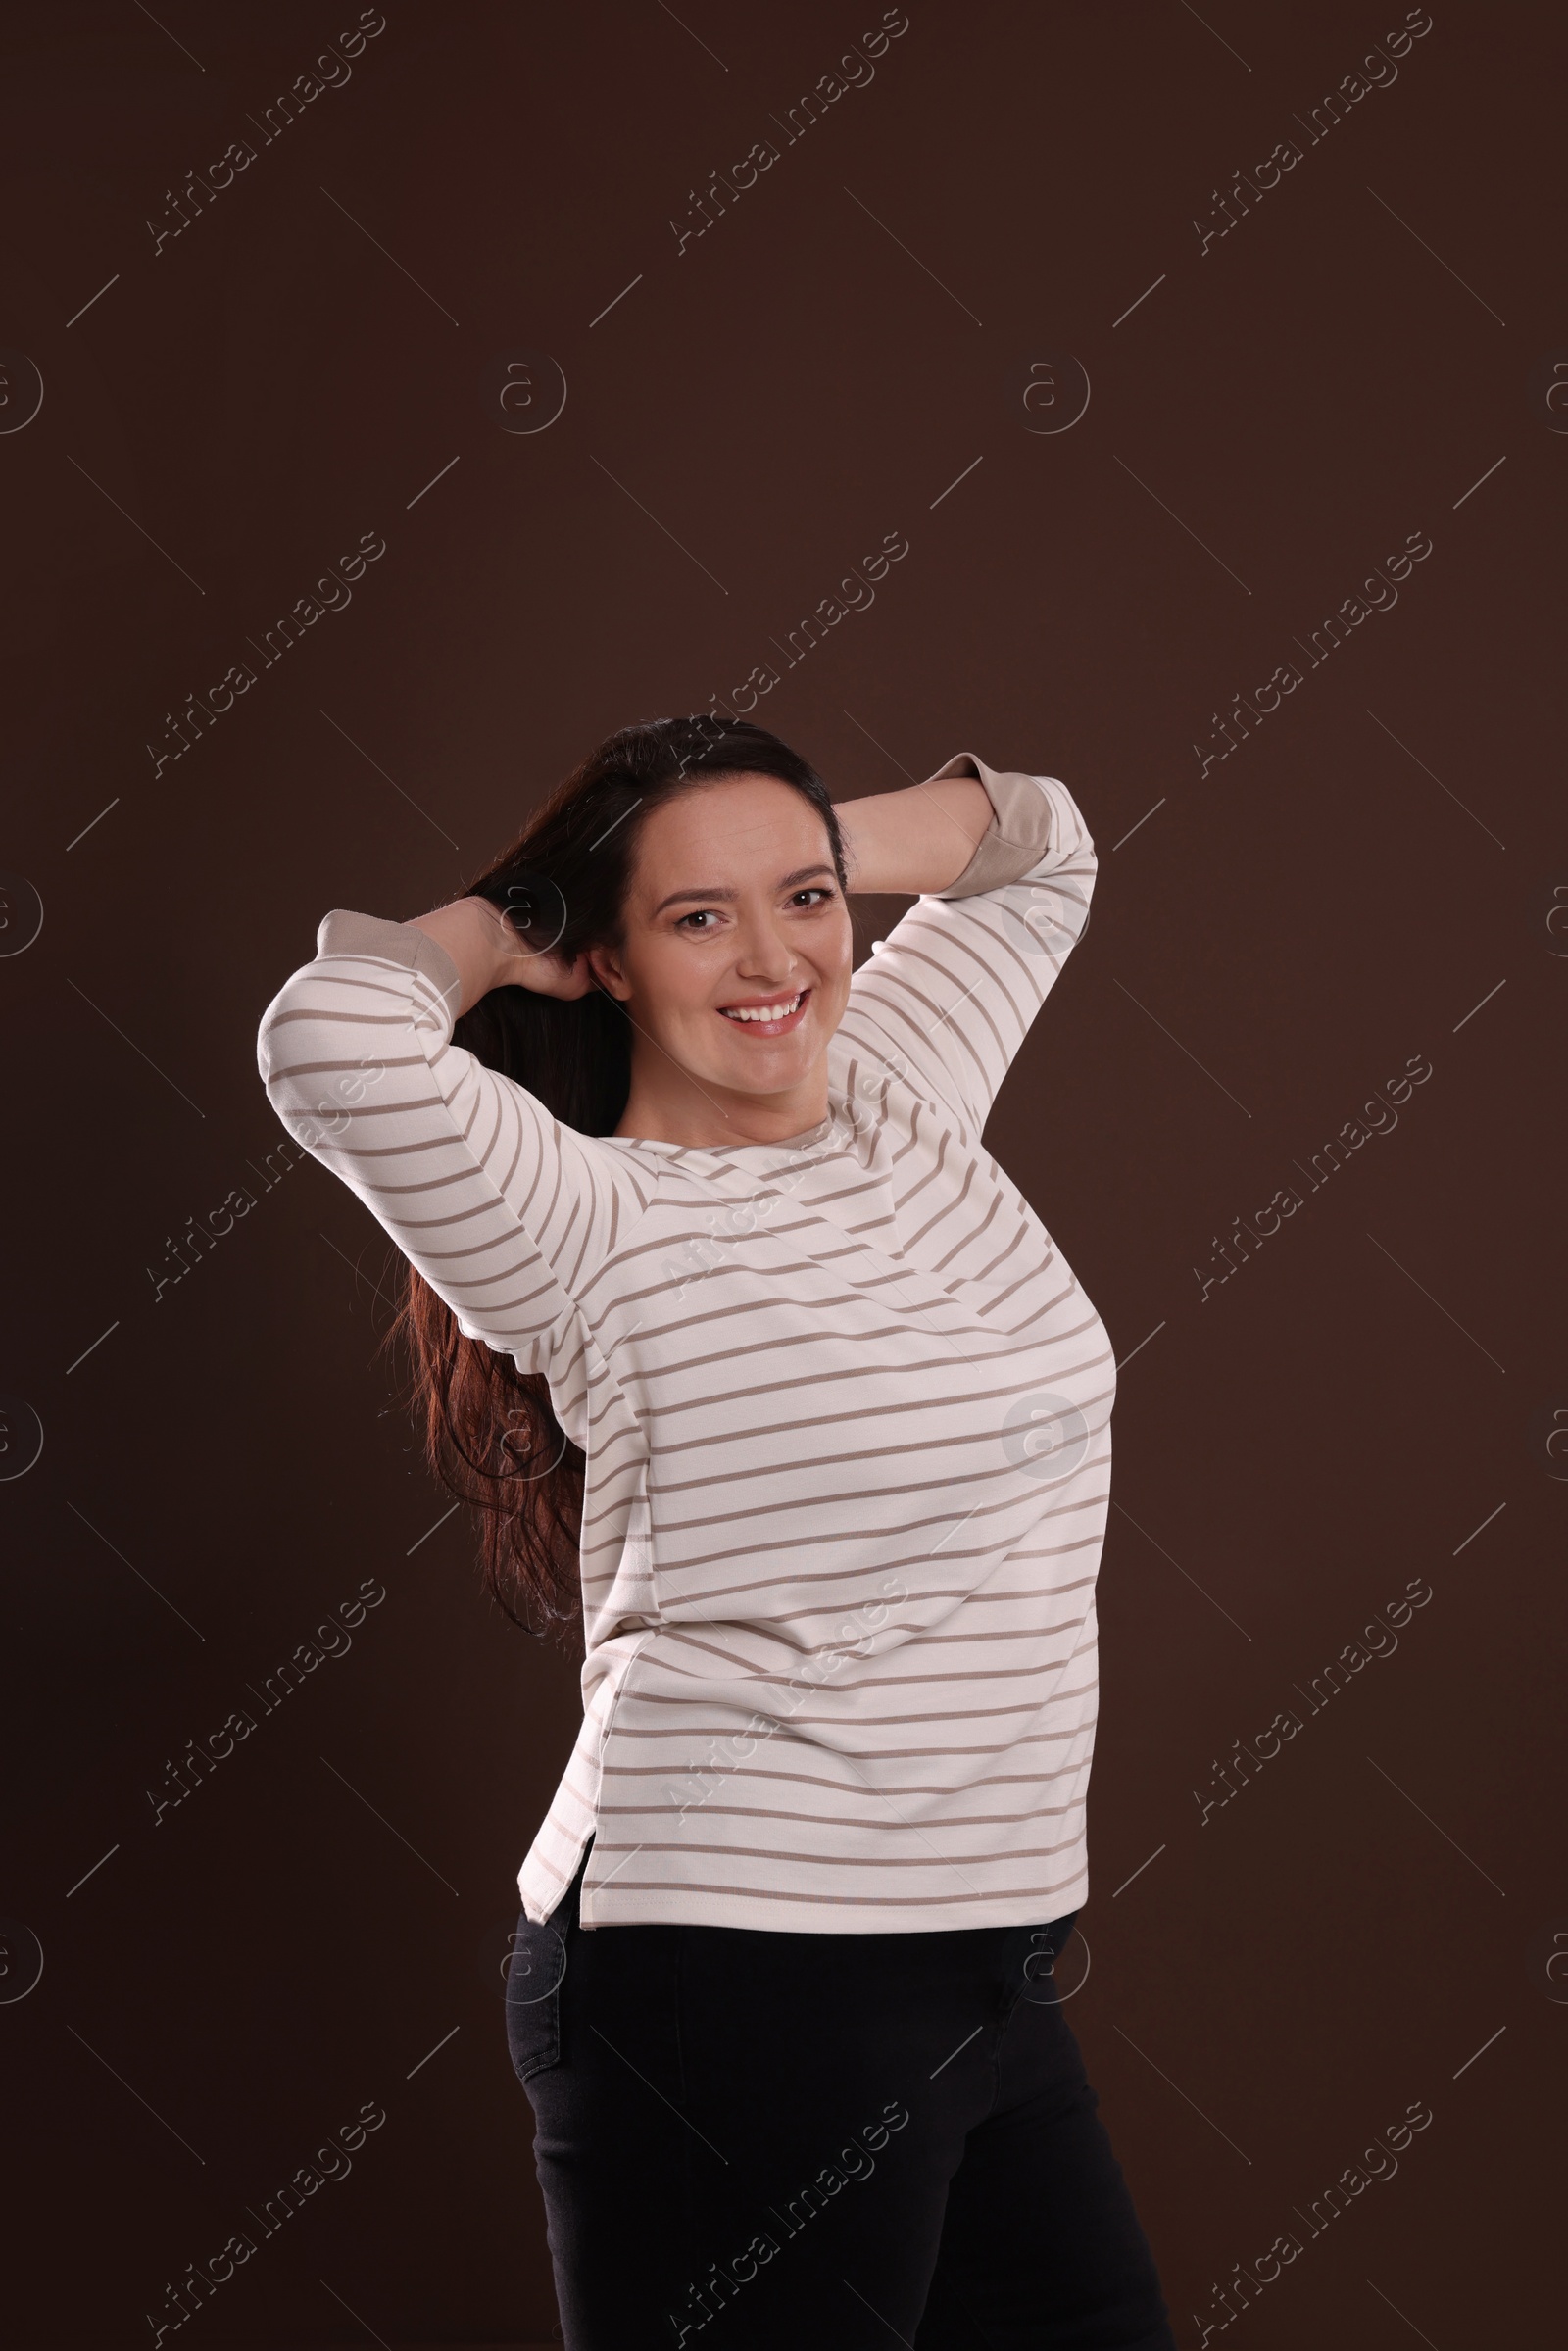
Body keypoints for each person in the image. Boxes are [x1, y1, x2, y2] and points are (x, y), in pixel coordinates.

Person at [256, 714, 1175, 2349]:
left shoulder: (898, 1102)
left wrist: (790, 839)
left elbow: (1042, 837)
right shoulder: (584, 1220)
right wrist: (514, 916)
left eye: (806, 900)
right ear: (609, 958)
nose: (773, 960)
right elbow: (328, 1037)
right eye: (698, 918)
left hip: (988, 1959)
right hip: (740, 1982)